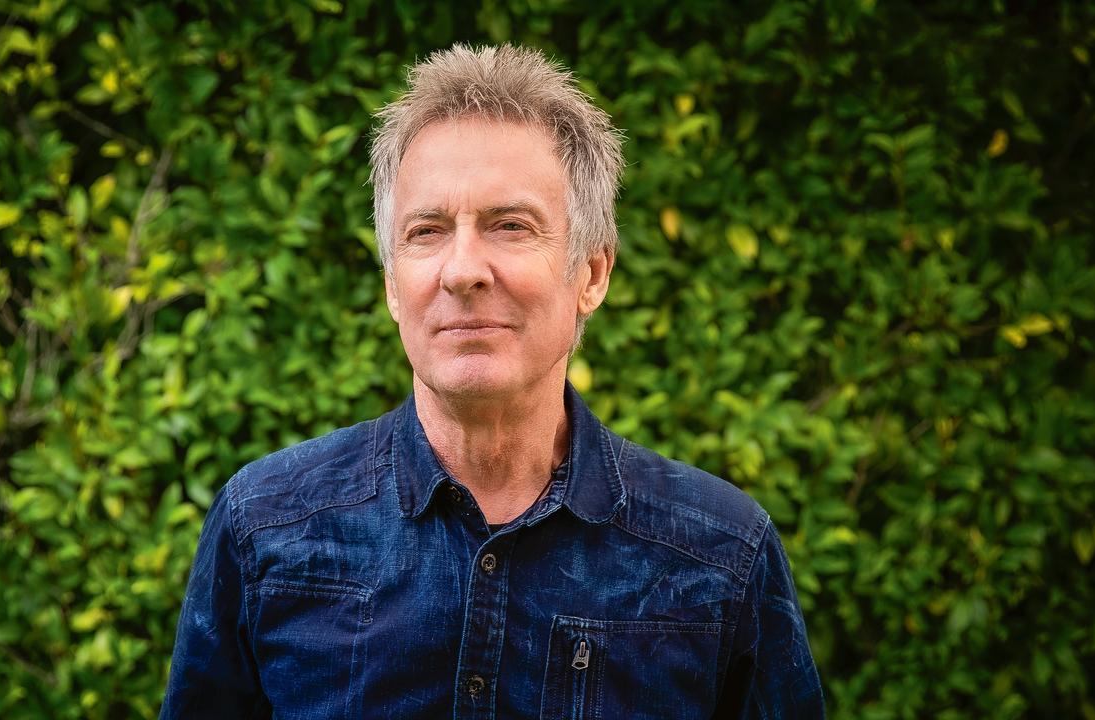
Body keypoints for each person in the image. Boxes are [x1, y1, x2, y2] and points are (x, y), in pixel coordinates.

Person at [159, 43, 823, 719]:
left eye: (511, 226)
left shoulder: (720, 555)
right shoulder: (265, 525)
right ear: (393, 285)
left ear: (592, 273)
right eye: (427, 231)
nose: (462, 270)